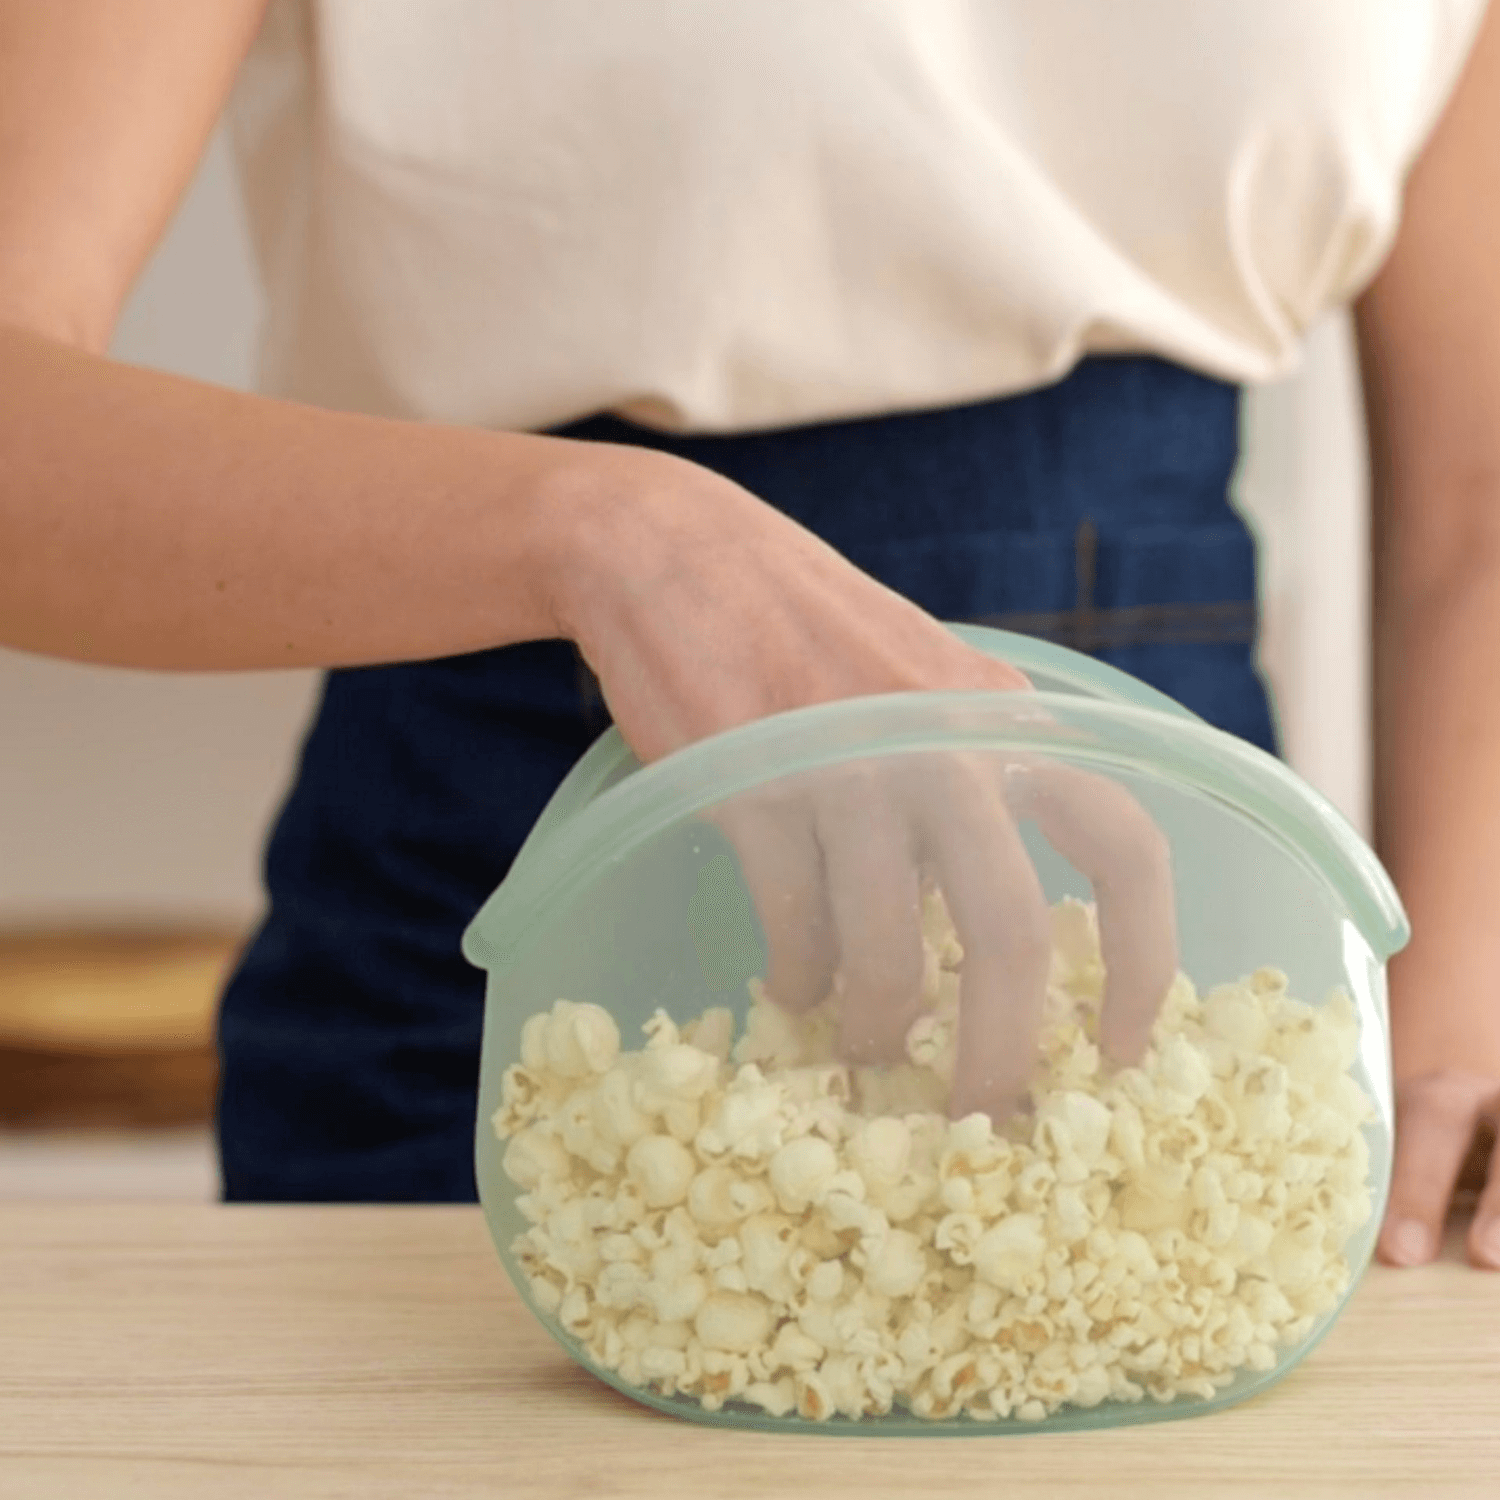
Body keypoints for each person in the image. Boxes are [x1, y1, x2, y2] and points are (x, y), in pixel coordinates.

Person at [1, 1, 1496, 1270]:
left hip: (1176, 1071)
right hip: (515, 1012)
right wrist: (611, 539)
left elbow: (1477, 514)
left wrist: (1438, 1051)